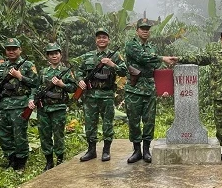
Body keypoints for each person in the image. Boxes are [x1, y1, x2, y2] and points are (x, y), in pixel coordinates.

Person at [177, 28, 222, 161]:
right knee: (220, 123)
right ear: (221, 40)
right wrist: (179, 59)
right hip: (218, 96)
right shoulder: (214, 55)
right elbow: (197, 59)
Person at [123, 18, 176, 164]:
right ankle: (136, 150)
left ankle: (146, 150)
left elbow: (155, 68)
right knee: (133, 121)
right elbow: (143, 58)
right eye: (142, 28)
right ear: (137, 30)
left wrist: (163, 88)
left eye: (147, 29)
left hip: (150, 89)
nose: (145, 31)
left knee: (149, 121)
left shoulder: (151, 48)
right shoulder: (131, 45)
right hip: (134, 89)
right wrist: (161, 58)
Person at [0, 38, 38, 171]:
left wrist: (20, 76)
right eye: (8, 49)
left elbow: (36, 83)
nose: (11, 51)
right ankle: (11, 159)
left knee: (19, 134)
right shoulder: (1, 66)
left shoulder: (27, 65)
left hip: (19, 104)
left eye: (14, 49)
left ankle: (21, 161)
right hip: (3, 105)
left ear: (20, 50)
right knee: (4, 134)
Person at [76, 28, 127, 163]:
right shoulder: (87, 56)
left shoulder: (115, 56)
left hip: (107, 95)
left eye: (104, 37)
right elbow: (79, 71)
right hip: (90, 96)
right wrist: (80, 80)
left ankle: (106, 150)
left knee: (107, 123)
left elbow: (124, 71)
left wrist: (112, 65)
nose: (101, 39)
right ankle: (91, 150)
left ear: (108, 40)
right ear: (96, 40)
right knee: (90, 123)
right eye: (99, 37)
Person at [29, 43, 76, 170]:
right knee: (44, 135)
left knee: (58, 135)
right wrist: (32, 99)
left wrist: (62, 85)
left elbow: (73, 88)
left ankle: (60, 160)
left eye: (56, 53)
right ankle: (49, 161)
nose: (54, 56)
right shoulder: (43, 72)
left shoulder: (65, 72)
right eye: (51, 54)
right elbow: (35, 87)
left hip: (58, 109)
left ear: (60, 54)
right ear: (47, 56)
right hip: (43, 108)